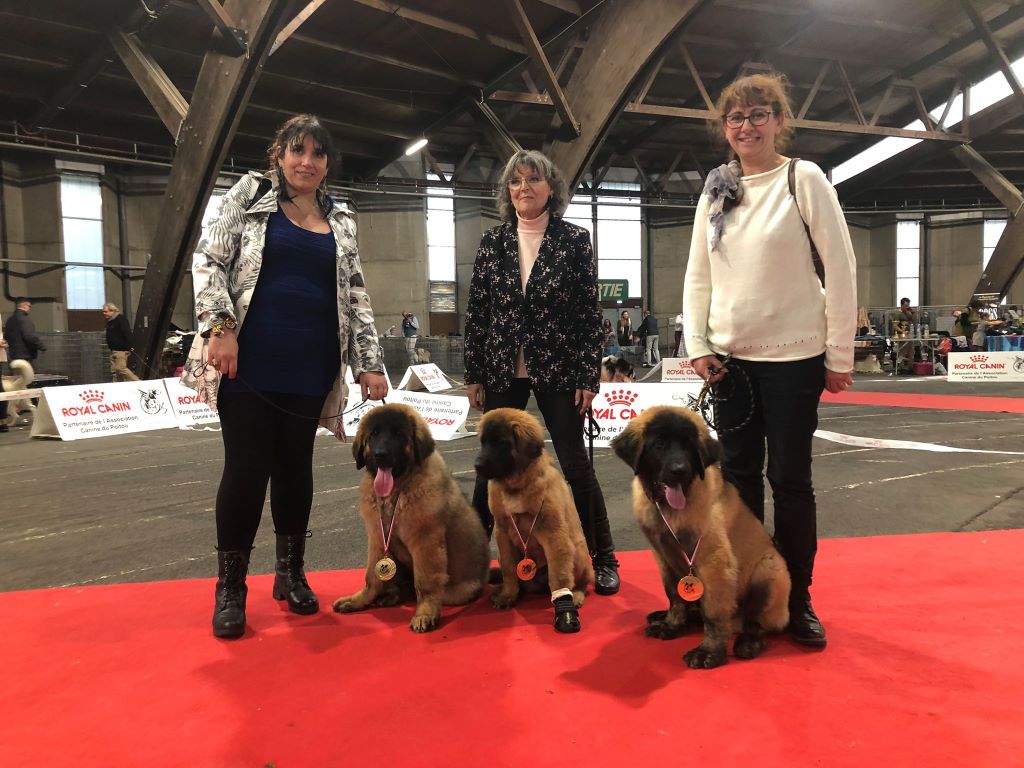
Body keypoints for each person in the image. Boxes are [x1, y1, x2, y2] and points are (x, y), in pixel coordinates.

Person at [180, 114, 388, 639]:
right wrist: (220, 328)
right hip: (248, 361)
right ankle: (230, 588)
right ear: (279, 154)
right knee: (247, 469)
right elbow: (208, 261)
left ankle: (290, 574)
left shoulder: (342, 218)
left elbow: (356, 295)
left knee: (296, 468)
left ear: (327, 164)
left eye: (318, 154)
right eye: (298, 150)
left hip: (312, 363)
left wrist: (369, 361)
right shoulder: (249, 195)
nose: (307, 161)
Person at [683, 73, 857, 649]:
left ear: (779, 121)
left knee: (790, 481)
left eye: (758, 115)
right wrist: (700, 348)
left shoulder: (804, 180)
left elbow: (841, 269)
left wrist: (838, 354)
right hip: (731, 363)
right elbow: (698, 275)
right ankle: (741, 595)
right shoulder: (715, 192)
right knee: (736, 487)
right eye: (735, 118)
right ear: (724, 129)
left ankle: (798, 598)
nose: (746, 126)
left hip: (794, 362)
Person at [464, 148, 620, 595]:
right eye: (515, 181)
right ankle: (474, 563)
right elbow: (477, 312)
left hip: (559, 369)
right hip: (500, 370)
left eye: (532, 180)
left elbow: (587, 315)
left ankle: (603, 556)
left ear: (552, 189)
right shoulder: (493, 242)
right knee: (487, 469)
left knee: (575, 466)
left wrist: (588, 378)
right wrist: (474, 373)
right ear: (506, 191)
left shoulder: (574, 240)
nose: (523, 188)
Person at [101, 303, 140, 382]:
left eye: (105, 311)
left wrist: (130, 346)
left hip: (120, 350)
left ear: (112, 311)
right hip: (113, 350)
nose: (104, 313)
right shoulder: (110, 321)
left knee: (121, 369)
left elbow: (127, 332)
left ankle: (137, 382)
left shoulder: (120, 319)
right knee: (114, 372)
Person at [3, 299, 45, 365]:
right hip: (25, 355)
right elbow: (29, 336)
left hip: (13, 355)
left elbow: (6, 336)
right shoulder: (25, 319)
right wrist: (41, 346)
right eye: (29, 306)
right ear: (25, 306)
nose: (29, 309)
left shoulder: (9, 320)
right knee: (26, 374)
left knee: (16, 374)